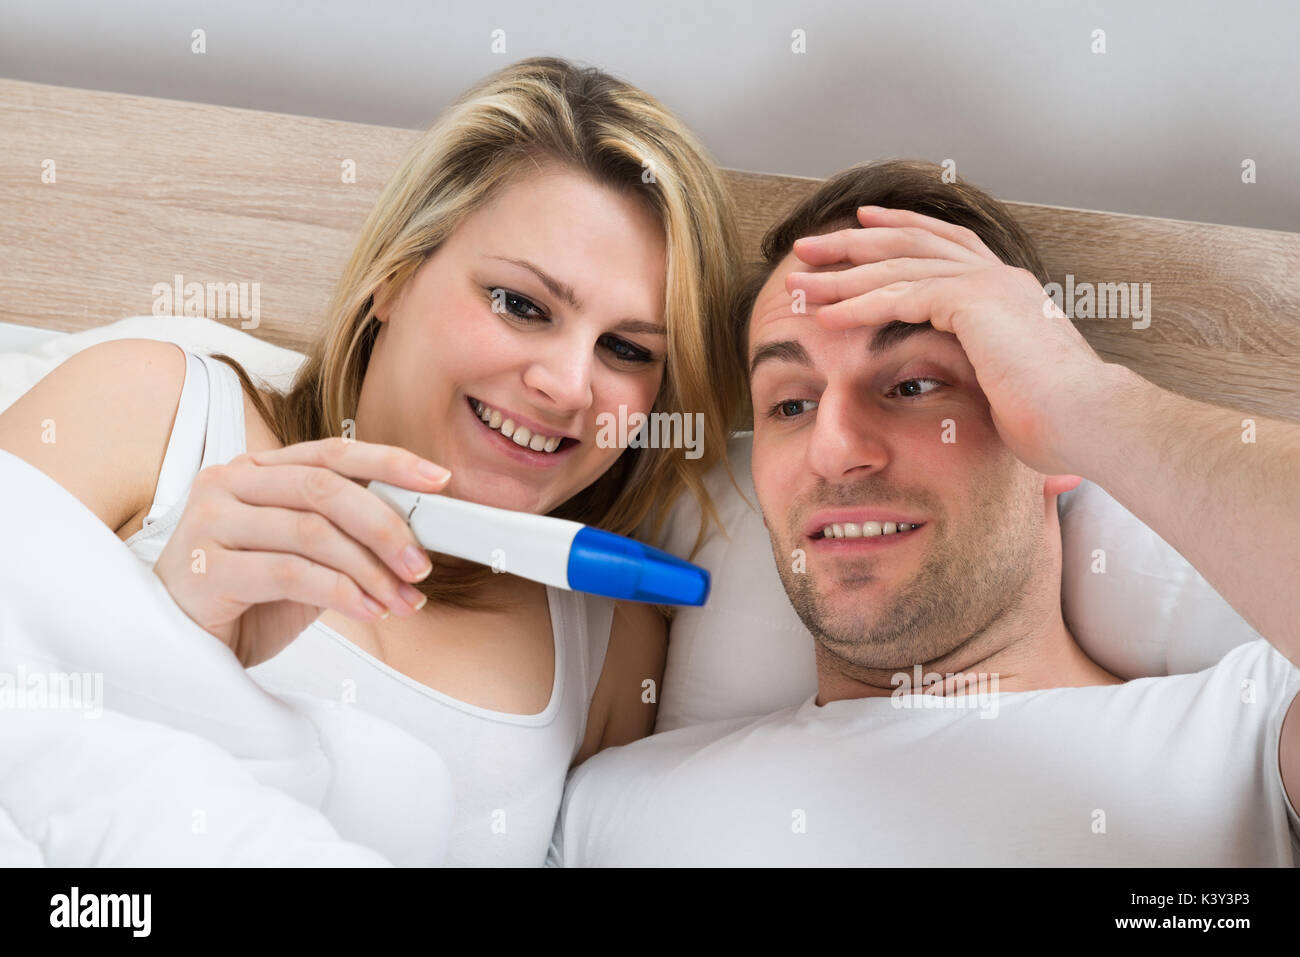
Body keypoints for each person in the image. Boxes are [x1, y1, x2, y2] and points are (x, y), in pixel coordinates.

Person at [0, 56, 746, 866]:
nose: (567, 386)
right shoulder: (150, 409)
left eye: (627, 349)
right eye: (521, 304)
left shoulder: (611, 646)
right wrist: (179, 637)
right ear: (395, 276)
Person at [549, 159, 1300, 866]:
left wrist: (1091, 401)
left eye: (912, 386)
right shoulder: (610, 816)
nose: (834, 449)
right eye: (791, 403)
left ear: (1041, 426)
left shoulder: (1247, 739)